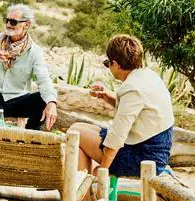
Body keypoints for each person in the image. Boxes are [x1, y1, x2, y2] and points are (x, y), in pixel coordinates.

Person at [70, 34, 174, 178]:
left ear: (116, 64)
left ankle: (87, 189)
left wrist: (103, 170)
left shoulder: (133, 88)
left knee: (75, 134)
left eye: (108, 63)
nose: (108, 67)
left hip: (143, 156)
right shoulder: (148, 75)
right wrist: (107, 96)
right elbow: (136, 111)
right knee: (78, 128)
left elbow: (117, 137)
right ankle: (86, 187)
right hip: (150, 147)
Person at [0, 4, 58, 130]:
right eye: (7, 20)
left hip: (17, 101)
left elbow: (44, 80)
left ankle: (27, 137)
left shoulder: (35, 51)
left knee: (43, 100)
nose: (8, 25)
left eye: (13, 22)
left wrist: (51, 102)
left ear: (26, 24)